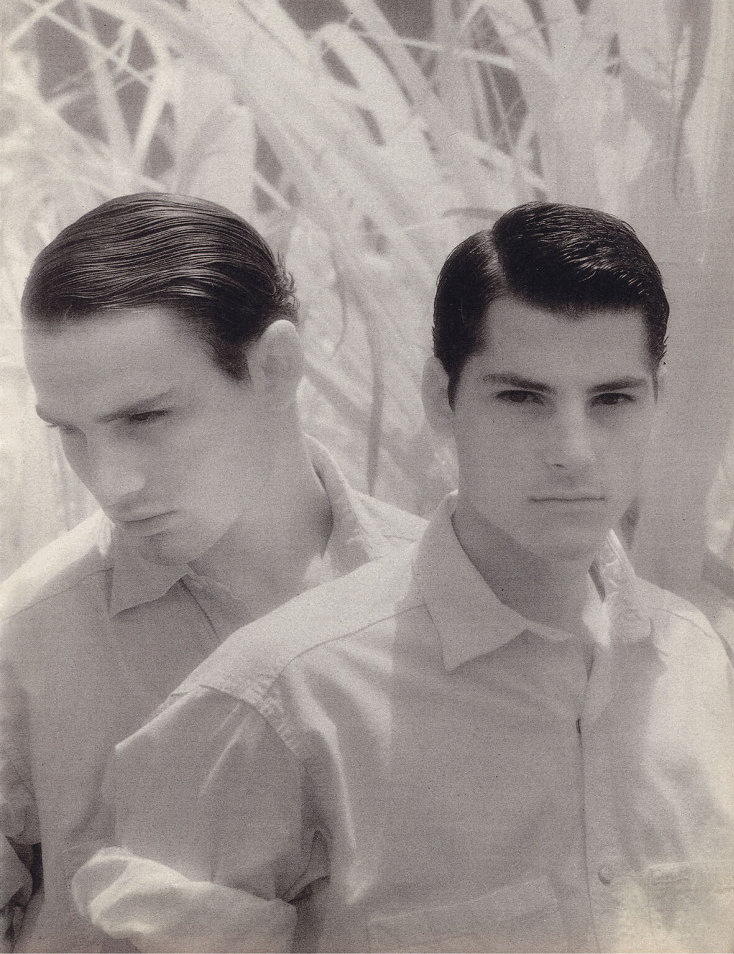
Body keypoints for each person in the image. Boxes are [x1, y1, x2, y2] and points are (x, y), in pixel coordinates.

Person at [73, 202, 734, 953]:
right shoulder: (286, 699)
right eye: (522, 397)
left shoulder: (700, 666)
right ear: (440, 398)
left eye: (612, 399)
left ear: (658, 402)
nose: (574, 450)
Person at [0, 192, 425, 952]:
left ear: (275, 368)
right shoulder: (23, 641)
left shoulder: (450, 600)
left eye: (146, 418)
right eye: (71, 432)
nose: (112, 483)